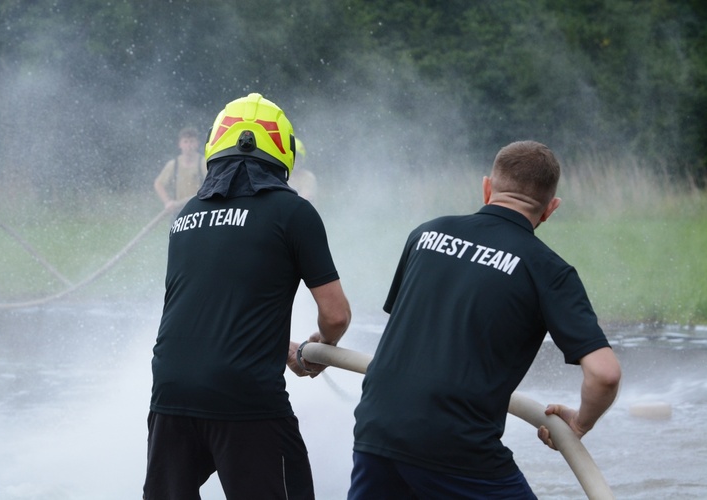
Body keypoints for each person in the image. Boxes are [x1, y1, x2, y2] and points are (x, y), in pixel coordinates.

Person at [347, 141, 621, 499]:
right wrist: (580, 424)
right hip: (456, 447)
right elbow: (605, 374)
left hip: (375, 431)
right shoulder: (548, 270)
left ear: (487, 187)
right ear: (550, 210)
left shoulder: (425, 235)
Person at [144, 93, 352, 500]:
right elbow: (336, 314)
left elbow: (203, 308)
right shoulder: (293, 212)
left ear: (213, 147)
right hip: (245, 398)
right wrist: (320, 348)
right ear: (283, 151)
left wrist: (273, 345)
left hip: (170, 392)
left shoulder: (185, 214)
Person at [153, 126, 207, 213]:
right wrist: (167, 202)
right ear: (180, 144)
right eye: (185, 142)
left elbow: (213, 185)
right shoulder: (173, 165)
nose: (189, 145)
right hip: (179, 213)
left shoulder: (204, 163)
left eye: (192, 141)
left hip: (199, 210)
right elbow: (158, 184)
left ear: (197, 143)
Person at [287, 138, 318, 202]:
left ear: (302, 159)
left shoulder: (307, 177)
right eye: (292, 157)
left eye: (298, 157)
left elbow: (306, 199)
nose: (295, 160)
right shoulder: (280, 175)